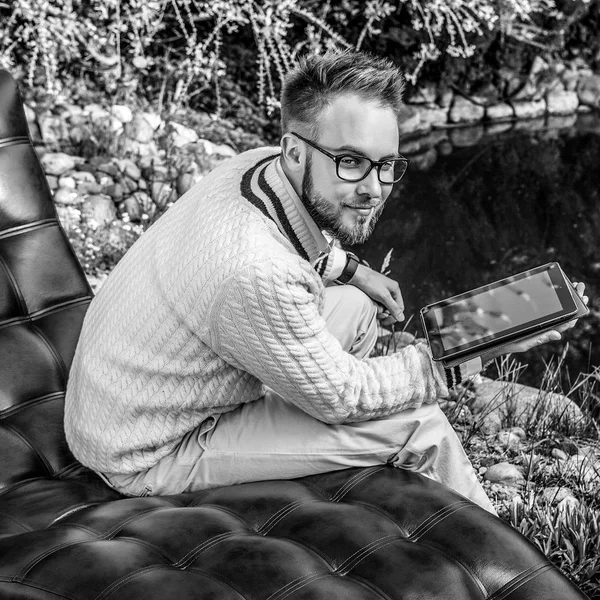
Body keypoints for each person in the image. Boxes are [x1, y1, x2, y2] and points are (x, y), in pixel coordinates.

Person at [64, 50, 586, 514]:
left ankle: (343, 456)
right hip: (147, 448)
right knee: (419, 424)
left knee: (357, 309)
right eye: (351, 162)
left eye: (386, 165)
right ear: (295, 151)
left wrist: (356, 272)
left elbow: (293, 238)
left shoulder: (251, 169)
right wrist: (474, 349)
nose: (375, 188)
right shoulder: (258, 273)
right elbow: (342, 395)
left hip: (135, 391)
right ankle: (497, 565)